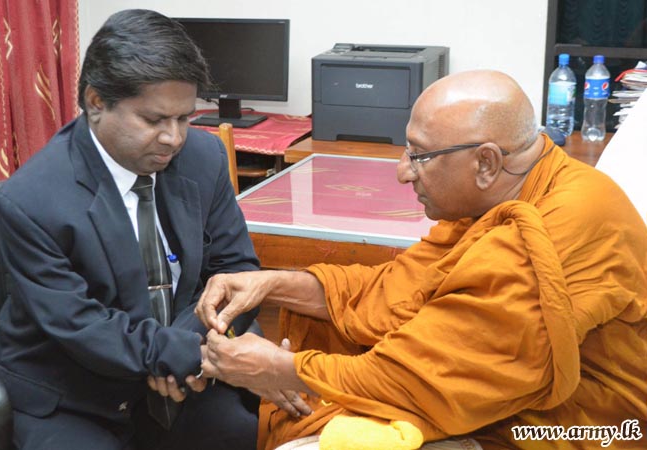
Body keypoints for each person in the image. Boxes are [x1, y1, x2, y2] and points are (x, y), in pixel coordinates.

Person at [195, 70, 647, 450]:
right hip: (483, 392)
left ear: (486, 163)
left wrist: (282, 368)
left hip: (576, 427)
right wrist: (270, 283)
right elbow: (395, 290)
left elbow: (428, 377)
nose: (403, 171)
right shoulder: (512, 189)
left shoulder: (555, 226)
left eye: (421, 155)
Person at [0, 9, 260, 450]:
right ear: (96, 102)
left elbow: (236, 271)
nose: (174, 138)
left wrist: (184, 355)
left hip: (182, 370)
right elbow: (81, 325)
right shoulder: (31, 201)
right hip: (72, 389)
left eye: (185, 118)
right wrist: (182, 356)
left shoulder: (204, 158)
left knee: (244, 434)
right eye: (154, 121)